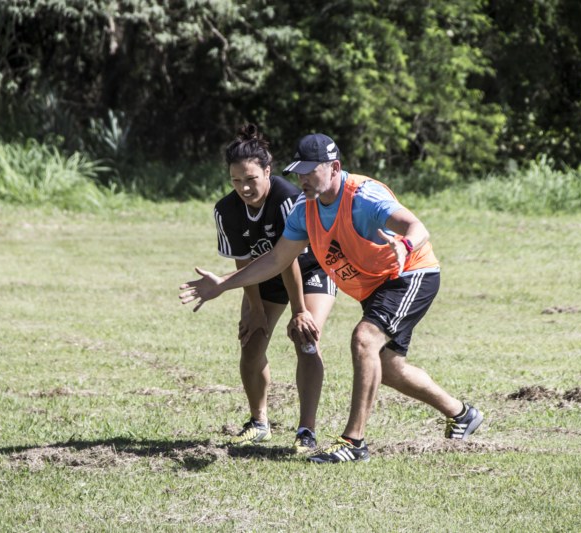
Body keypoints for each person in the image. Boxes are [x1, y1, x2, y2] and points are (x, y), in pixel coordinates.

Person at [180, 132, 483, 464]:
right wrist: (224, 283)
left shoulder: (364, 196)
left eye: (312, 171)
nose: (303, 179)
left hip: (409, 274)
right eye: (300, 171)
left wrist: (405, 244)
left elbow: (416, 225)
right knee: (390, 368)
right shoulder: (304, 209)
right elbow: (276, 260)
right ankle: (462, 413)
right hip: (375, 286)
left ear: (334, 168)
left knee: (364, 339)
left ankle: (354, 442)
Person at [206, 124, 336, 454]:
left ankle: (306, 430)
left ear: (267, 171)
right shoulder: (226, 210)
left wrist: (299, 311)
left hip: (309, 271)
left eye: (251, 179)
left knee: (306, 338)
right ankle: (259, 422)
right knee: (251, 344)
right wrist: (257, 310)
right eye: (236, 180)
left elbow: (288, 260)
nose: (244, 187)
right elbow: (243, 261)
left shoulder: (286, 198)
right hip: (263, 277)